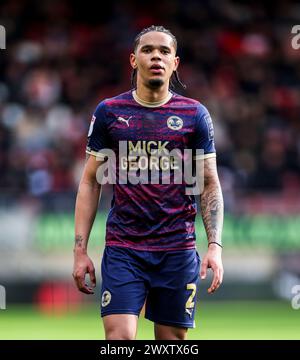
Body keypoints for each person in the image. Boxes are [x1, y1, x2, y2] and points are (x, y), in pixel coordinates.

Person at [73, 25, 224, 340]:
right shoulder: (109, 112)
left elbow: (209, 183)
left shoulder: (195, 114)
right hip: (123, 248)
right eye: (148, 49)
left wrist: (214, 246)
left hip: (177, 249)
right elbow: (90, 182)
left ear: (175, 63)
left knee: (170, 342)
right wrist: (80, 250)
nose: (156, 55)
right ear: (133, 59)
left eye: (164, 51)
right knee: (120, 339)